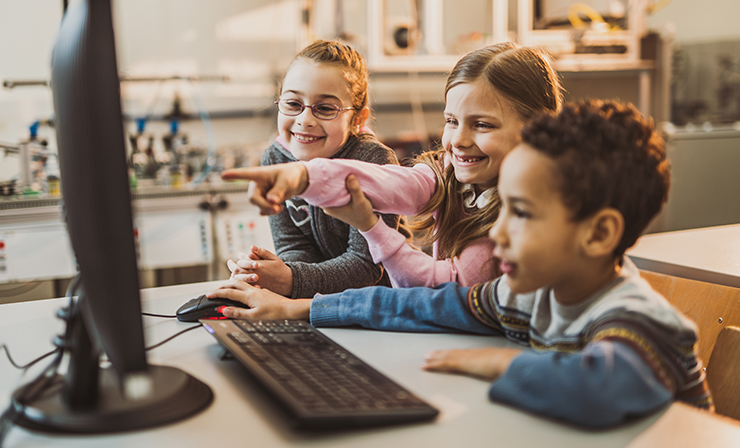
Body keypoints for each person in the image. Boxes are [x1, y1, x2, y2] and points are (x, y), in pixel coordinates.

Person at [209, 100, 713, 428]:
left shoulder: (637, 319)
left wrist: (499, 362)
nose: (497, 232)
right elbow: (425, 306)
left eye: (522, 214)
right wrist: (300, 311)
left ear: (599, 234)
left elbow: (600, 389)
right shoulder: (524, 295)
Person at [222, 42, 563, 288]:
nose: (458, 140)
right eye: (451, 121)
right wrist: (301, 175)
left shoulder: (519, 215)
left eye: (482, 124)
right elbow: (391, 184)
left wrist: (369, 227)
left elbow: (447, 287)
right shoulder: (448, 172)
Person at [225, 39, 407, 299]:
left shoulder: (373, 161)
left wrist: (290, 279)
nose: (305, 120)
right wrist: (272, 273)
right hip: (320, 302)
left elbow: (367, 268)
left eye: (324, 108)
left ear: (357, 118)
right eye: (292, 104)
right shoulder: (276, 158)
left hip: (381, 305)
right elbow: (294, 245)